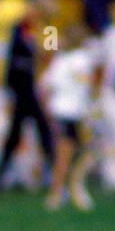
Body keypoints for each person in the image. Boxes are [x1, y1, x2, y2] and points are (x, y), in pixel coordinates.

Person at [0, 1, 55, 191]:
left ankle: (0, 176)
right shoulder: (19, 29)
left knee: (33, 133)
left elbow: (49, 56)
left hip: (34, 87)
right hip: (22, 89)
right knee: (36, 132)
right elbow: (15, 59)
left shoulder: (48, 29)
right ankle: (53, 174)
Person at [40, 24, 96, 209]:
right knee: (68, 154)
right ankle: (58, 193)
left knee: (70, 153)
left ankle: (67, 189)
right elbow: (87, 82)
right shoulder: (81, 59)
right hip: (73, 112)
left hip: (59, 111)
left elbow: (46, 85)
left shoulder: (60, 60)